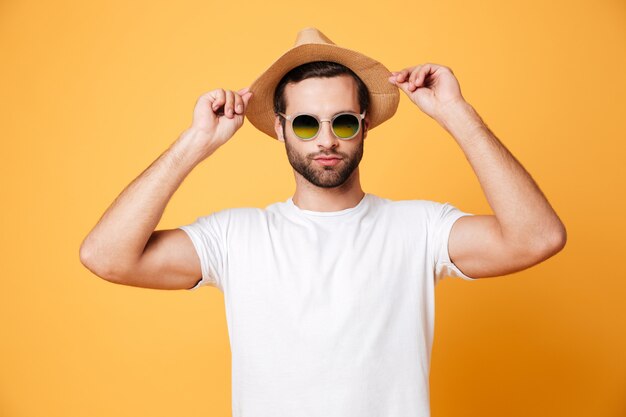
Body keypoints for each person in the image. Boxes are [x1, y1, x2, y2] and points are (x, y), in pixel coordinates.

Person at [79, 27, 566, 417]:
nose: (326, 140)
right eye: (307, 123)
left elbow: (538, 238)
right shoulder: (235, 237)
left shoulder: (419, 229)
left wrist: (458, 115)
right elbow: (105, 256)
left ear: (365, 125)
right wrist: (195, 144)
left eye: (344, 122)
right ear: (280, 129)